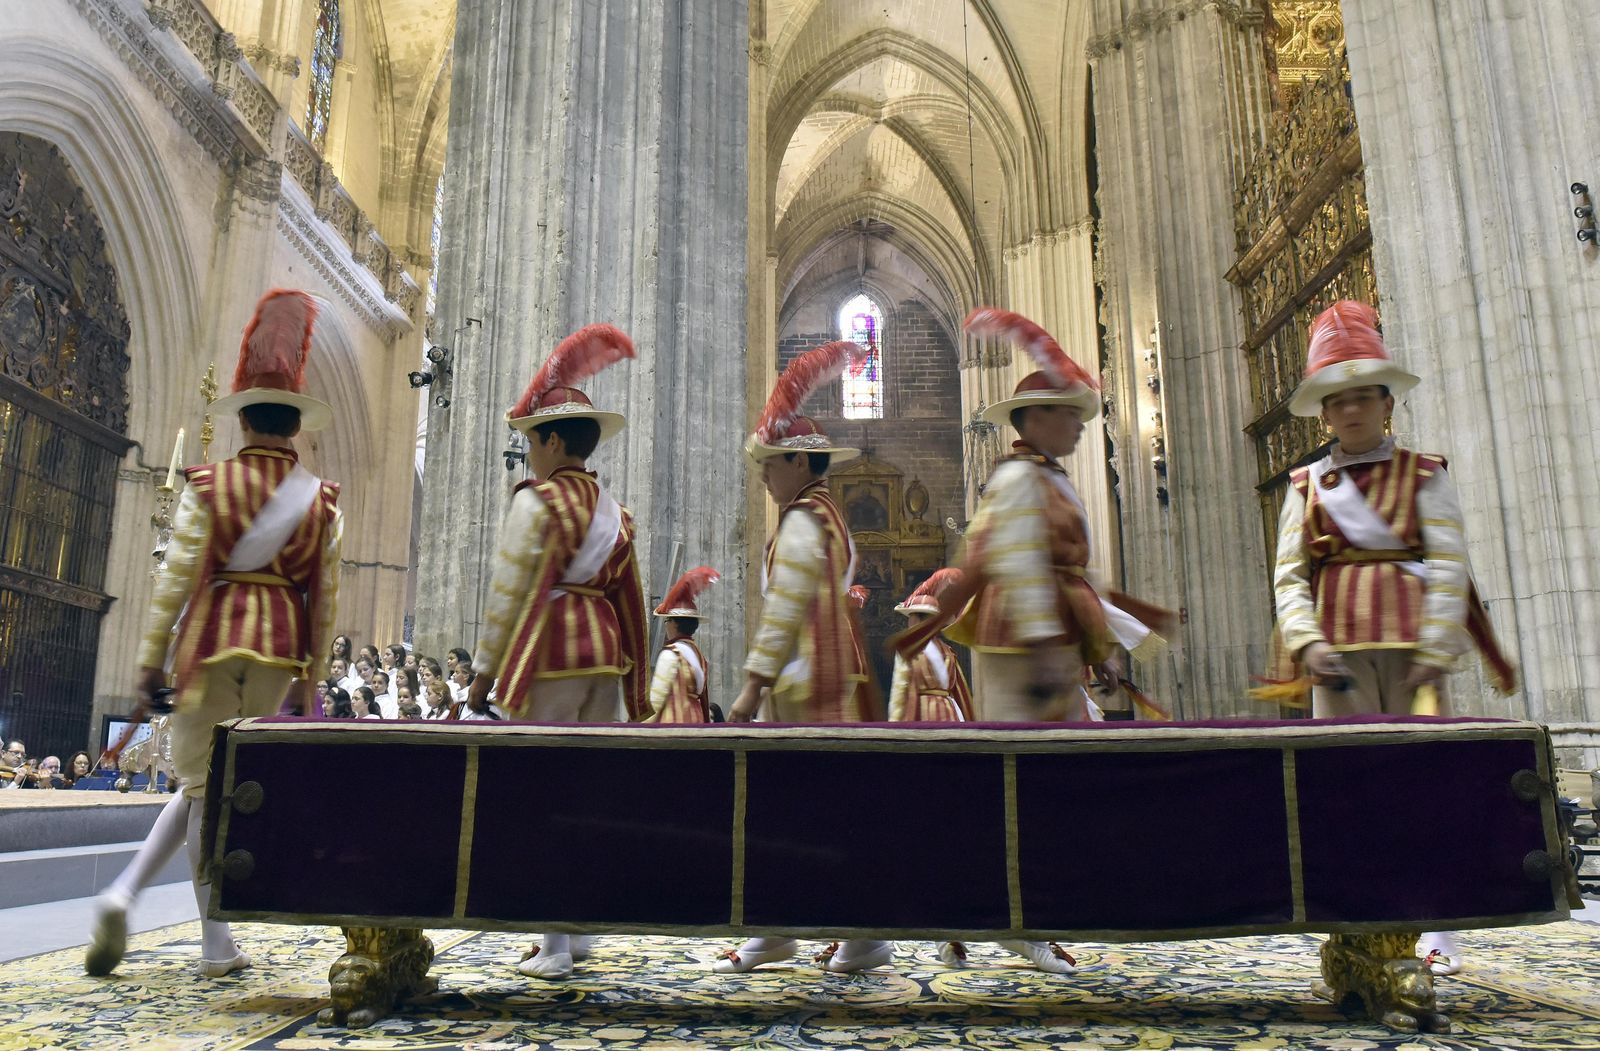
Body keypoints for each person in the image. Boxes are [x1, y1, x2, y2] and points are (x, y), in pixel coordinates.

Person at [897, 308, 1174, 975]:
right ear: (1037, 418)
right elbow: (1022, 571)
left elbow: (1074, 577)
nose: (1080, 423)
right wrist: (1054, 657)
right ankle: (1014, 921)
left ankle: (970, 916)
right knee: (1020, 787)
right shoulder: (1022, 479)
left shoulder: (1046, 476)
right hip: (1023, 650)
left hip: (1042, 647)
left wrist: (1098, 649)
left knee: (1033, 787)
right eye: (1069, 412)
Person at [87, 288, 342, 980]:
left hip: (208, 642)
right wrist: (313, 676)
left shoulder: (209, 486)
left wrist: (150, 660)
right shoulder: (321, 501)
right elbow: (324, 597)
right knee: (228, 786)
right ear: (295, 425)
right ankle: (176, 921)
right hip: (278, 652)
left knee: (201, 786)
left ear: (244, 419)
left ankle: (204, 934)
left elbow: (174, 579)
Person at [1271, 301, 1515, 976]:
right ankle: (1357, 918)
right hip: (1338, 657)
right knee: (1347, 790)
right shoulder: (1307, 486)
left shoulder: (1425, 474)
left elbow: (1449, 564)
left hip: (1413, 656)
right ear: (1324, 415)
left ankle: (1436, 925)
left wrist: (1436, 648)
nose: (1351, 411)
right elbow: (1290, 575)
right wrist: (1306, 640)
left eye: (1363, 398)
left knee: (1424, 787)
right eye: (1337, 401)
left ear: (1387, 404)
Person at [468, 323, 648, 981]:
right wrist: (637, 686)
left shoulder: (537, 502)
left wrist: (483, 674)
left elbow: (508, 594)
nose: (528, 455)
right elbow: (632, 601)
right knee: (586, 795)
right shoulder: (616, 512)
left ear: (550, 440)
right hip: (604, 655)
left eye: (530, 442)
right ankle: (580, 927)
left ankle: (554, 945)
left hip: (548, 656)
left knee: (543, 795)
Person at [719, 339, 887, 976]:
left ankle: (808, 931)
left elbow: (784, 608)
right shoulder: (829, 514)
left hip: (803, 679)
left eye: (770, 464)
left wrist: (752, 685)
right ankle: (820, 932)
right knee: (820, 808)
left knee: (794, 809)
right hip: (832, 672)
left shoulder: (798, 521)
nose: (764, 476)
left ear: (797, 459)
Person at [887, 570, 973, 724]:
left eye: (911, 617)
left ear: (916, 619)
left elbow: (900, 691)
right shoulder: (948, 651)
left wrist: (896, 723)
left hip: (922, 715)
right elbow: (961, 692)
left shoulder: (909, 649)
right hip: (950, 714)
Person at [646, 566, 719, 723]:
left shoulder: (671, 654)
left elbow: (656, 701)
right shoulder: (698, 655)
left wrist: (638, 725)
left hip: (673, 725)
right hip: (696, 722)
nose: (666, 625)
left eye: (667, 620)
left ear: (673, 623)